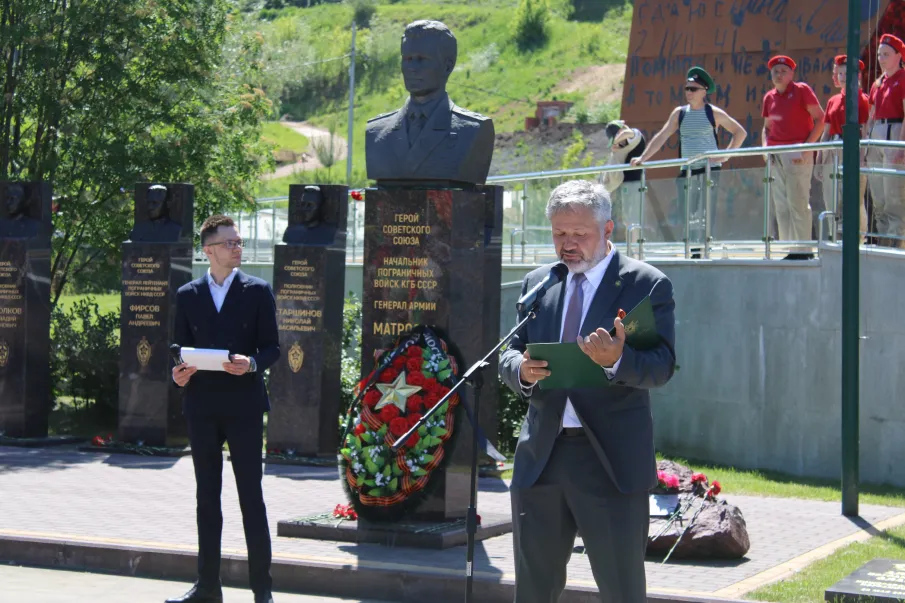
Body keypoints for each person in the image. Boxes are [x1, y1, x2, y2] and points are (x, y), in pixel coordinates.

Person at [499, 180, 676, 603]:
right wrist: (521, 370)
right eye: (560, 233)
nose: (568, 244)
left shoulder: (645, 284)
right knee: (534, 589)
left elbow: (662, 367)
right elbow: (509, 352)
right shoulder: (539, 282)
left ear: (608, 228)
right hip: (542, 457)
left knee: (621, 589)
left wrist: (616, 360)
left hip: (609, 461)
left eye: (580, 234)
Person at [168, 215, 280, 603]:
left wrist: (250, 363)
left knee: (251, 497)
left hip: (244, 407)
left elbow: (272, 347)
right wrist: (178, 374)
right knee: (206, 498)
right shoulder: (188, 294)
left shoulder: (257, 291)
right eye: (230, 242)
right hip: (201, 406)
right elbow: (177, 348)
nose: (238, 247)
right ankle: (207, 587)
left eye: (239, 242)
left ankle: (262, 591)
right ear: (209, 250)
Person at [631, 67, 747, 255]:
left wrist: (725, 155)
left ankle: (704, 248)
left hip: (709, 170)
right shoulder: (679, 113)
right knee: (687, 211)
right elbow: (662, 136)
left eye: (693, 89)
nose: (689, 93)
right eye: (687, 88)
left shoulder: (713, 112)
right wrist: (643, 158)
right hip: (688, 170)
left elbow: (740, 132)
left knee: (706, 211)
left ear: (704, 91)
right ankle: (692, 247)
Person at [365, 20, 494, 187]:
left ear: (447, 66)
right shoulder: (377, 131)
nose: (412, 67)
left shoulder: (473, 130)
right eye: (408, 59)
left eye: (422, 59)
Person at [761, 55, 826, 260]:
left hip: (798, 153)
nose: (779, 75)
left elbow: (820, 119)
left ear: (791, 74)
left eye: (783, 71)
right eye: (775, 71)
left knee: (798, 202)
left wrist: (807, 149)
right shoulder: (769, 97)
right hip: (775, 156)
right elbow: (766, 128)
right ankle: (788, 249)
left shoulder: (802, 91)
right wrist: (765, 150)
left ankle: (803, 249)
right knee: (781, 205)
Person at [817, 55, 869, 241]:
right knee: (831, 198)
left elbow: (864, 130)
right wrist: (820, 160)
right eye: (839, 73)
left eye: (847, 73)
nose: (842, 77)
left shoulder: (862, 99)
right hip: (833, 148)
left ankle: (858, 239)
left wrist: (862, 159)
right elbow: (826, 132)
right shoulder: (833, 100)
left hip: (853, 149)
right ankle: (835, 238)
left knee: (853, 199)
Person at [866, 33, 905, 248]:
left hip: (894, 132)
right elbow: (871, 117)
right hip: (876, 136)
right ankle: (883, 244)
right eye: (879, 54)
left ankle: (897, 247)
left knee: (894, 198)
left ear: (899, 55)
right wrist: (866, 145)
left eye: (886, 54)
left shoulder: (904, 78)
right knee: (878, 198)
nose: (881, 58)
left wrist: (901, 146)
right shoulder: (877, 83)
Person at [602, 120, 646, 244]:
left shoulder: (634, 135)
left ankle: (636, 247)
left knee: (634, 218)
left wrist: (616, 141)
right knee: (628, 218)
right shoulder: (625, 146)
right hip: (628, 184)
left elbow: (627, 133)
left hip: (636, 183)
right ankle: (632, 246)